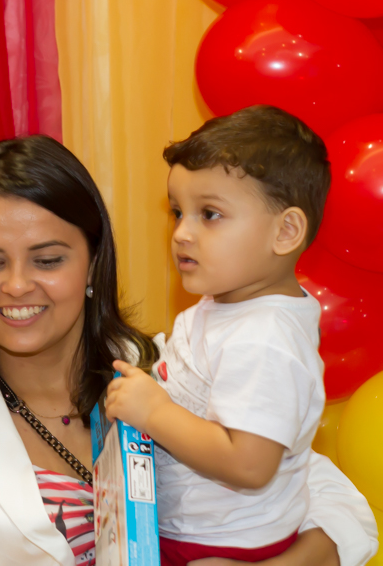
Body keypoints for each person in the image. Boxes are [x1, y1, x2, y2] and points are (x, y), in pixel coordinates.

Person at [0, 134, 377, 566]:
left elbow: (330, 499)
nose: (18, 285)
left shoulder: (163, 371)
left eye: (47, 260)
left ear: (93, 264)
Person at [105, 106, 334, 565]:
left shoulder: (265, 338)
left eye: (209, 214)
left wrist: (154, 411)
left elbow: (249, 464)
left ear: (286, 231)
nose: (181, 233)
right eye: (178, 212)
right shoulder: (229, 304)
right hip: (189, 526)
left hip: (222, 544)